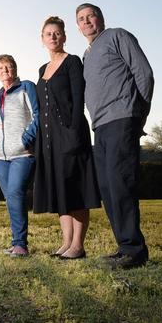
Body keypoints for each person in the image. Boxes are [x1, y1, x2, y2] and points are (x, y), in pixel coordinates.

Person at [76, 3, 154, 269]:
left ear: (101, 17)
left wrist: (138, 115)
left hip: (123, 119)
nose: (86, 21)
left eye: (90, 16)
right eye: (81, 19)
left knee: (121, 183)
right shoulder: (86, 55)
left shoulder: (117, 35)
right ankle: (124, 246)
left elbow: (144, 73)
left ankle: (135, 250)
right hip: (100, 126)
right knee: (108, 187)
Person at [33, 17, 101, 260]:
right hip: (49, 140)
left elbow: (78, 100)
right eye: (48, 33)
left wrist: (73, 133)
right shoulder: (42, 70)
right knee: (60, 189)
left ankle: (78, 246)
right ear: (42, 39)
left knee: (76, 189)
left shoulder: (72, 62)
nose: (53, 37)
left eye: (57, 33)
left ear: (64, 36)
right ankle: (66, 242)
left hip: (71, 134)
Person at [0, 54, 39, 257]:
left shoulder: (26, 87)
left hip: (22, 153)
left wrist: (25, 139)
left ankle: (21, 244)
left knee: (16, 194)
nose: (5, 71)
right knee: (10, 198)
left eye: (8, 67)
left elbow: (38, 114)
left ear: (15, 68)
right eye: (1, 68)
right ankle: (15, 241)